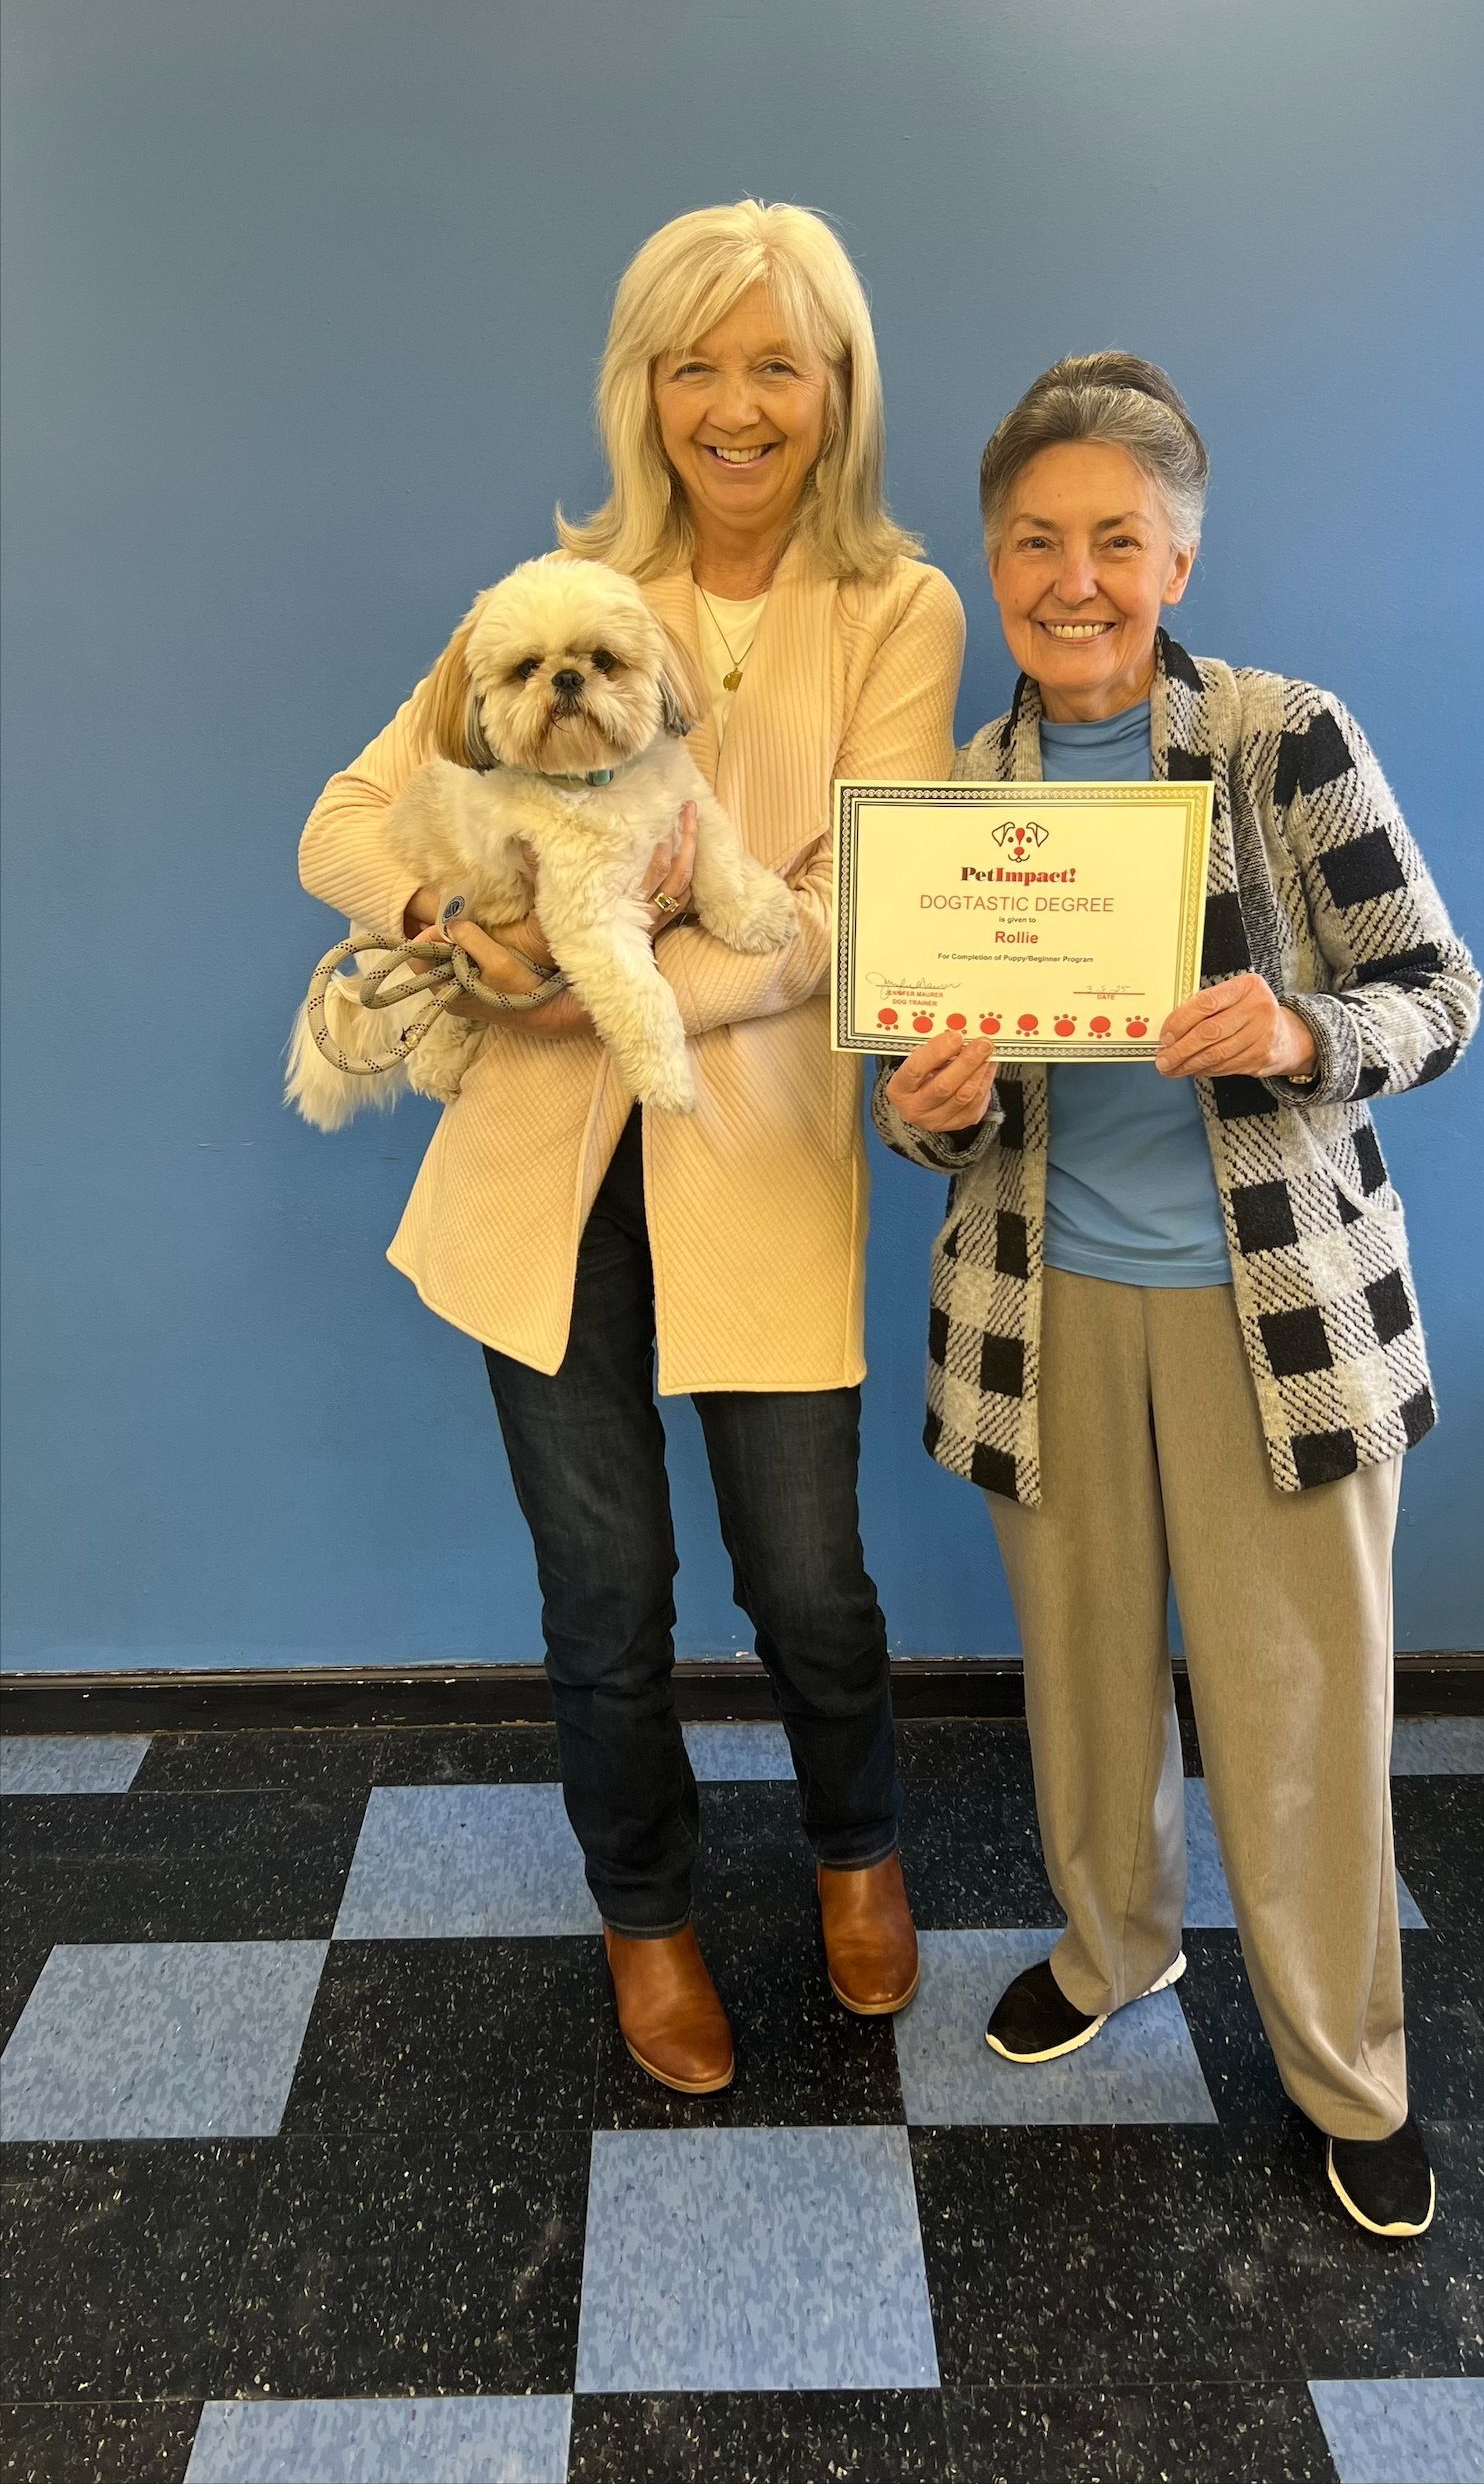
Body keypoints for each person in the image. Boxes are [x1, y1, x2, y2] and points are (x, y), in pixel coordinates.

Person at [300, 201, 964, 2094]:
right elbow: (353, 817)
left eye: (777, 362)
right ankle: (648, 1917)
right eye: (695, 364)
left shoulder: (896, 607)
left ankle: (857, 1856)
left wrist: (638, 978)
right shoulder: (563, 582)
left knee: (808, 1578)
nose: (735, 406)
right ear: (643, 387)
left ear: (836, 389)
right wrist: (458, 927)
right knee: (603, 1597)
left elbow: (862, 900)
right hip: (542, 1172)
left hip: (748, 1149)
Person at [876, 353, 1480, 2236]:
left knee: (1300, 1713)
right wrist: (923, 1111)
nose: (1074, 579)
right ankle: (1114, 1938)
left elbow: (1440, 994)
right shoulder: (955, 796)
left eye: (1115, 542)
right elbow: (926, 1108)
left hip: (1267, 1318)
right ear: (992, 562)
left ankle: (1344, 2066)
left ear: (1179, 561)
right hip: (1041, 1311)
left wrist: (1300, 1027)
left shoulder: (1285, 738)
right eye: (1037, 542)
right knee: (1082, 1689)